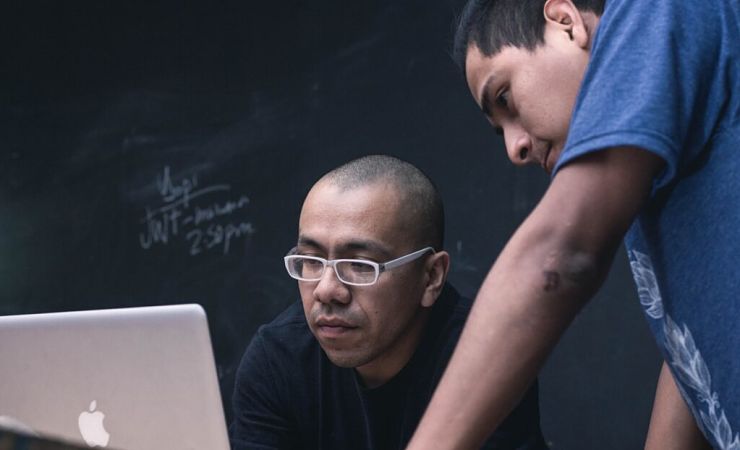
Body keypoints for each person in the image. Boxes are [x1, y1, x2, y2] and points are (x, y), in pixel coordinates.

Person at [406, 0, 739, 449]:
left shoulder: (656, 10)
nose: (514, 148)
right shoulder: (651, 177)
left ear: (564, 21)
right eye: (499, 128)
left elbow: (560, 256)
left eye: (504, 98)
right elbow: (689, 350)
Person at [230, 155, 547, 449]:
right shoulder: (278, 361)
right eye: (311, 260)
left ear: (431, 277)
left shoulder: (488, 358)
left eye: (359, 265)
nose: (326, 290)